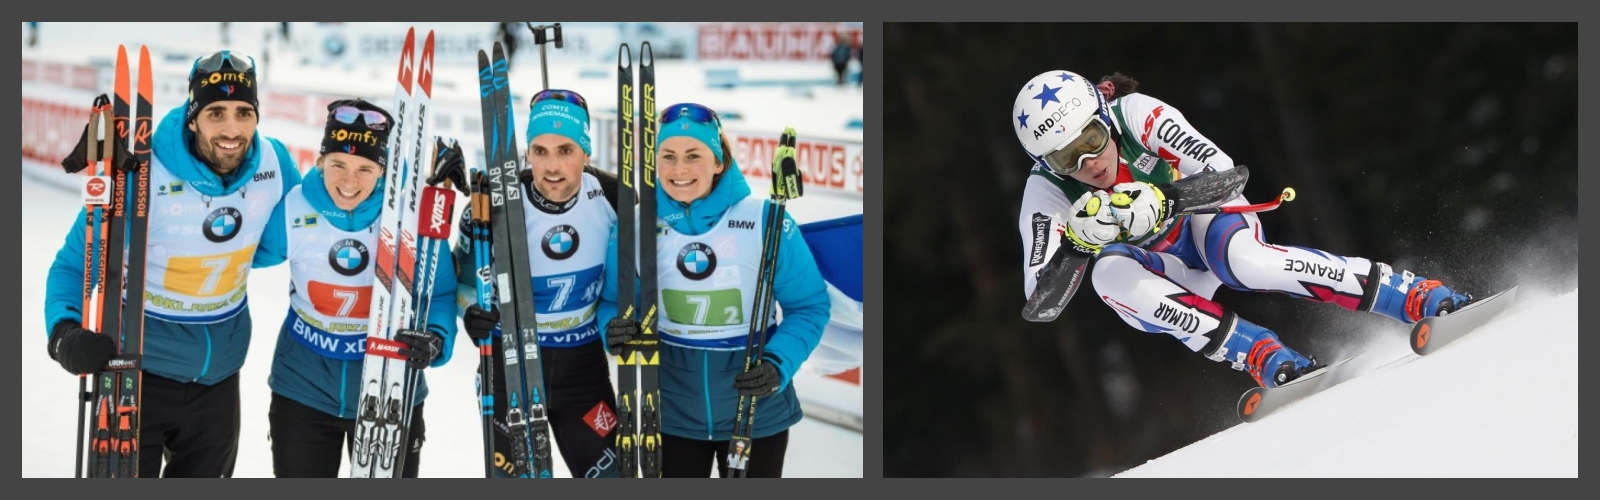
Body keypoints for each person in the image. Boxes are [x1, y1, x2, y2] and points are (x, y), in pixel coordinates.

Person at [1012, 70, 1474, 388]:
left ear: (1104, 116)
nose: (1089, 163)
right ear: (1045, 164)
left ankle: (1410, 295)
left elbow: (1225, 174)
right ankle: (1261, 354)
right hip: (1165, 271)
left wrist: (1165, 199)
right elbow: (1041, 304)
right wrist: (1075, 242)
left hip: (1203, 225)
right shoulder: (1046, 194)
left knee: (1244, 263)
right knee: (1106, 273)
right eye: (1065, 158)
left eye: (1091, 140)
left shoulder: (1135, 114)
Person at [45, 50, 301, 476]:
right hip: (135, 376)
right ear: (192, 116)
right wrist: (63, 333)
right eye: (216, 113)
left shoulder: (274, 163)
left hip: (219, 381)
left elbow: (279, 242)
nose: (232, 129)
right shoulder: (140, 170)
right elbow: (73, 264)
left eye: (244, 112)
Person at [603, 103, 831, 477]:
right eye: (668, 156)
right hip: (670, 415)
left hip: (756, 414)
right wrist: (612, 327)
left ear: (719, 161)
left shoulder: (765, 220)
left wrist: (778, 364)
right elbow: (613, 300)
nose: (680, 170)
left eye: (694, 155)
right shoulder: (636, 226)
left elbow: (809, 305)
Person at [264, 99, 459, 477]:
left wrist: (436, 338)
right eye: (338, 164)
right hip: (301, 387)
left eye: (365, 169)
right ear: (321, 162)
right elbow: (240, 256)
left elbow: (441, 292)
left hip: (390, 390)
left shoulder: (410, 215)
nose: (349, 181)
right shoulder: (293, 208)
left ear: (383, 170)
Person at [455, 89, 622, 478]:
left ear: (586, 152)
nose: (552, 165)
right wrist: (470, 313)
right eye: (540, 150)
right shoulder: (490, 205)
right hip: (509, 366)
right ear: (526, 153)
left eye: (565, 150)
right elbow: (462, 281)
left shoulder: (616, 197)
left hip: (582, 369)